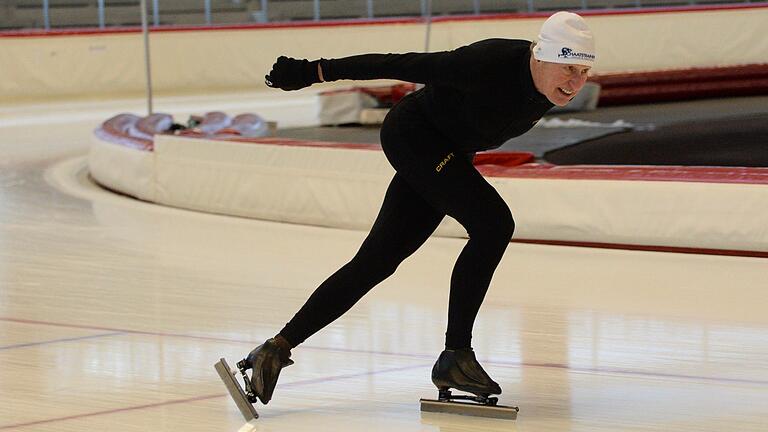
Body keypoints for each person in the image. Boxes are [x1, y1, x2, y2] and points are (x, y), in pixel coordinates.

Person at [240, 11, 596, 405]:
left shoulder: (549, 84)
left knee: (376, 261)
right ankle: (456, 355)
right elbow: (401, 62)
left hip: (446, 152)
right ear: (542, 55)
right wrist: (316, 71)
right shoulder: (487, 62)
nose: (575, 83)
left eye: (584, 72)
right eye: (568, 68)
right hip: (413, 135)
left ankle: (274, 349)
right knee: (493, 224)